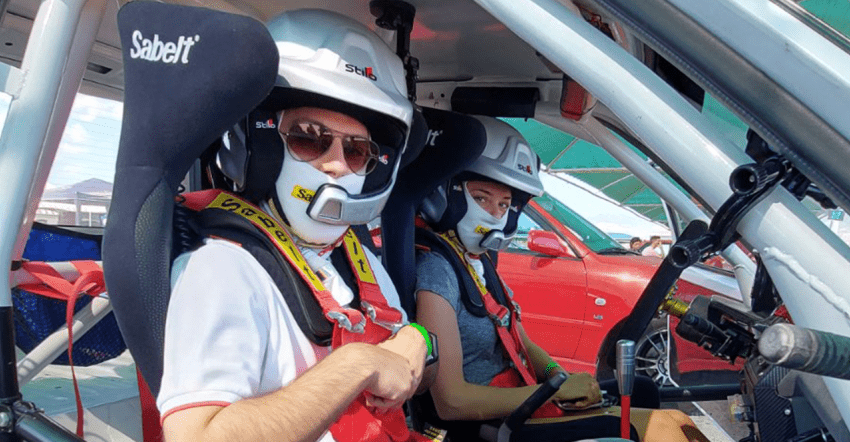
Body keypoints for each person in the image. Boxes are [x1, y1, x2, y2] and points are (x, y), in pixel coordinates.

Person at [157, 10, 435, 442]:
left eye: (357, 151)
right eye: (309, 137)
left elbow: (410, 375)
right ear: (263, 146)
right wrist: (357, 364)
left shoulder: (357, 260)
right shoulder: (222, 268)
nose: (337, 165)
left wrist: (419, 339)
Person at [413, 116, 708, 442]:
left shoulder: (479, 265)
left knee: (667, 409)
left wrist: (559, 376)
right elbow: (451, 401)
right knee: (661, 428)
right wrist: (553, 392)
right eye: (481, 198)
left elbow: (522, 342)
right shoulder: (437, 269)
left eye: (504, 204)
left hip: (520, 400)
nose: (495, 214)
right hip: (489, 424)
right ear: (447, 195)